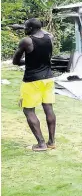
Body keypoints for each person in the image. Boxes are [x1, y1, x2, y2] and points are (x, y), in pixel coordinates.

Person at [12, 18, 56, 151]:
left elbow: (15, 61)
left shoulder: (27, 41)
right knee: (48, 108)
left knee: (28, 110)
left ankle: (41, 144)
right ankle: (51, 142)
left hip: (32, 81)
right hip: (48, 79)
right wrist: (22, 27)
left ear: (30, 29)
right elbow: (42, 32)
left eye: (26, 27)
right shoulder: (50, 37)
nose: (24, 30)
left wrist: (28, 62)